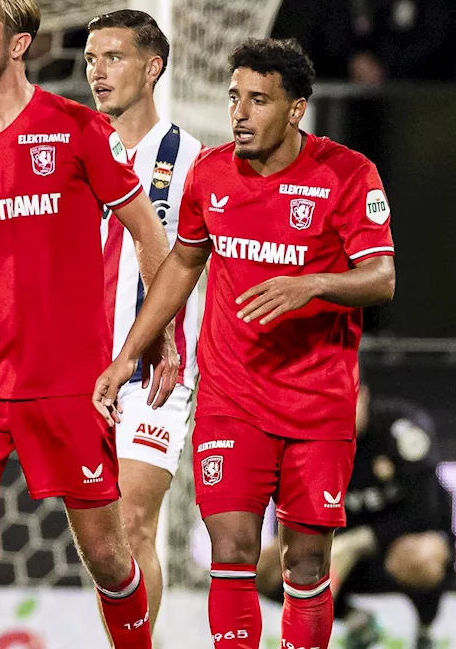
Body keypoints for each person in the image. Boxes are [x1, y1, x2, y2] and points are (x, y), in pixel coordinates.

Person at [93, 37, 396, 649]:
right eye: (235, 98)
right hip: (233, 397)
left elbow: (382, 278)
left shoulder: (347, 174)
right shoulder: (210, 173)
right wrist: (131, 349)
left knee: (305, 564)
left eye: (259, 100)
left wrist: (311, 284)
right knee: (230, 549)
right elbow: (182, 261)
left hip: (317, 403)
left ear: (296, 109)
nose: (240, 113)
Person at [0, 0, 174, 648]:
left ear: (18, 43)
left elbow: (148, 234)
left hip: (68, 382)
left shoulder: (76, 130)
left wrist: (159, 339)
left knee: (106, 551)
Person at [85, 9, 204, 631]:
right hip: (76, 367)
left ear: (152, 67)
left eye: (113, 58)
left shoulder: (190, 158)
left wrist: (156, 343)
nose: (96, 72)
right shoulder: (72, 145)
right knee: (102, 545)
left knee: (133, 523)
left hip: (155, 370)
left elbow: (192, 262)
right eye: (90, 58)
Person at [254, 380, 455, 649]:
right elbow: (292, 515)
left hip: (395, 548)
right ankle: (355, 619)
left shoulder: (400, 429)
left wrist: (358, 542)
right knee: (261, 567)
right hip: (336, 554)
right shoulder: (306, 441)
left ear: (364, 395)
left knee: (424, 556)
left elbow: (427, 513)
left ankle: (425, 629)